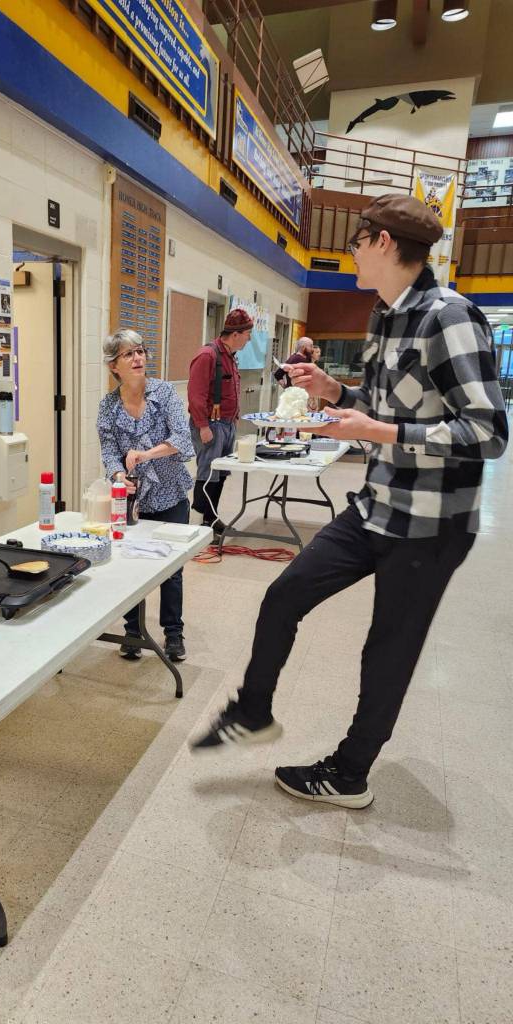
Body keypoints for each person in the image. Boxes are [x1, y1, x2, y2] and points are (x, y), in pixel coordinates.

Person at [191, 194, 508, 808]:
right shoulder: (384, 315)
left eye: (357, 243)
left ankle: (350, 772)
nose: (352, 255)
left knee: (387, 646)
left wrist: (378, 433)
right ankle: (254, 709)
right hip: (376, 504)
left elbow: (488, 432)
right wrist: (335, 390)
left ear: (383, 242)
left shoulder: (452, 316)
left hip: (430, 523)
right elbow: (389, 403)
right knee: (284, 596)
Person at [97, 329, 194, 662]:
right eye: (128, 354)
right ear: (114, 366)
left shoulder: (164, 393)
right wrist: (119, 475)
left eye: (140, 351)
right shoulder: (108, 406)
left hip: (171, 494)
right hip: (133, 500)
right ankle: (133, 631)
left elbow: (182, 438)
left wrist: (145, 454)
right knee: (130, 565)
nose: (138, 358)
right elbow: (109, 451)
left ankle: (173, 634)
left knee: (171, 568)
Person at [188, 308, 253, 530]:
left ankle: (211, 519)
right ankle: (197, 525)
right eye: (247, 334)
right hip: (210, 425)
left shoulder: (231, 357)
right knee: (208, 473)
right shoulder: (208, 355)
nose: (249, 339)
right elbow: (196, 395)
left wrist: (233, 419)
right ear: (236, 334)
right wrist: (203, 426)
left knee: (221, 473)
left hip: (227, 424)